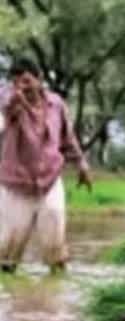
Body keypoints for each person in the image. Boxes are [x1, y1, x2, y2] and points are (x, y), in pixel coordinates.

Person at [0, 58, 92, 274]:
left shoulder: (56, 103)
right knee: (6, 253)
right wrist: (16, 98)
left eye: (26, 81)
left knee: (55, 247)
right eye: (17, 82)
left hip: (49, 181)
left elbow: (67, 137)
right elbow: (6, 108)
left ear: (39, 79)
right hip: (16, 185)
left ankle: (55, 296)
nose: (23, 86)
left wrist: (81, 163)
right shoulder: (7, 99)